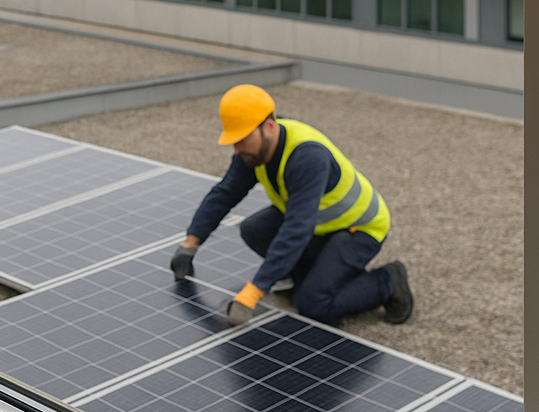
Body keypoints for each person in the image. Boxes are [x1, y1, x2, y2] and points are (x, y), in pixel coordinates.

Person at [170, 84, 413, 329]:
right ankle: (315, 276)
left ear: (269, 127)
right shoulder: (254, 151)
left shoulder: (307, 157)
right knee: (254, 230)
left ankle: (389, 280)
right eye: (233, 141)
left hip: (357, 228)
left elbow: (296, 230)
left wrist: (252, 294)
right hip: (320, 223)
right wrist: (191, 244)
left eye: (242, 139)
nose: (237, 149)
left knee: (313, 304)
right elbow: (225, 193)